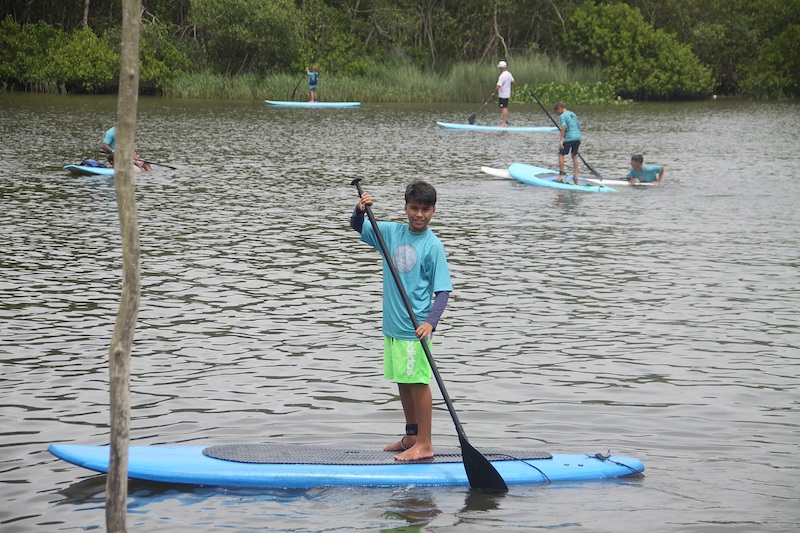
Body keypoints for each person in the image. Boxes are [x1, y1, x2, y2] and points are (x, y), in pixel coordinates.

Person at [350, 181, 453, 462]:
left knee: (418, 383)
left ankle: (425, 444)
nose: (419, 214)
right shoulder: (391, 233)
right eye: (414, 208)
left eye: (425, 210)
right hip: (393, 326)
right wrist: (360, 210)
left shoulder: (433, 246)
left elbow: (443, 291)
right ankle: (411, 436)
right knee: (403, 381)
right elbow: (357, 226)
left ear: (433, 211)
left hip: (414, 328)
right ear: (406, 207)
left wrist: (431, 322)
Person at [554, 102, 581, 184]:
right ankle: (576, 174)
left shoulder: (563, 116)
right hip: (578, 137)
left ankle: (561, 174)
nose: (558, 114)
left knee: (561, 154)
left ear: (559, 108)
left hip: (569, 137)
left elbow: (563, 127)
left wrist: (561, 140)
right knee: (574, 155)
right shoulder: (572, 114)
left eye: (557, 112)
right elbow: (578, 126)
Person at [493, 60, 515, 127]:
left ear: (501, 68)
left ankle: (504, 123)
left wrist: (494, 93)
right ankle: (506, 122)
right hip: (507, 94)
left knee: (504, 108)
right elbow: (513, 82)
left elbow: (498, 86)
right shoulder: (509, 74)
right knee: (505, 107)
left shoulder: (502, 76)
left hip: (503, 95)